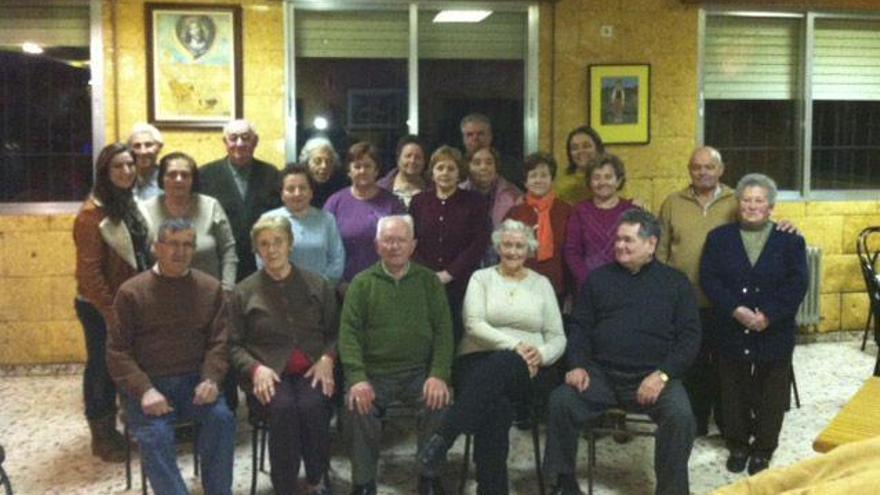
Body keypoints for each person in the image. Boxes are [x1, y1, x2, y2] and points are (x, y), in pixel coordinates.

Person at [543, 209, 700, 495]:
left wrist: (662, 375)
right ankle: (561, 482)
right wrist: (576, 365)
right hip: (601, 375)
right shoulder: (598, 280)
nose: (619, 246)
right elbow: (579, 327)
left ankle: (672, 491)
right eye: (618, 240)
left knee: (681, 415)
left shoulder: (676, 283)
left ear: (651, 244)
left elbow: (690, 339)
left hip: (652, 377)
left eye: (628, 240)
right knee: (560, 402)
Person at [418, 219, 566, 495]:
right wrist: (518, 347)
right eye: (507, 245)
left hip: (530, 370)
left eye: (519, 246)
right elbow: (473, 324)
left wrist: (539, 355)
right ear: (498, 247)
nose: (512, 251)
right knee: (496, 407)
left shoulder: (542, 284)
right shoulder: (481, 278)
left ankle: (444, 436)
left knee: (507, 364)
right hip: (477, 361)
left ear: (529, 249)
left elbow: (558, 336)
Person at [107, 218, 235, 495]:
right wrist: (144, 390)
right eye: (173, 244)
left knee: (222, 420)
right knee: (157, 436)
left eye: (188, 244)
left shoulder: (210, 288)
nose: (181, 251)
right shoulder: (131, 292)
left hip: (195, 382)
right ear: (157, 248)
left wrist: (212, 379)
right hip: (149, 385)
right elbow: (117, 351)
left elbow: (220, 342)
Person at [700, 173, 807, 476]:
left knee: (771, 391)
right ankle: (737, 445)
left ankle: (763, 448)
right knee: (732, 388)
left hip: (775, 330)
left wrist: (768, 315)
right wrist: (736, 310)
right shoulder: (719, 238)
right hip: (731, 326)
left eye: (759, 200)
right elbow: (710, 278)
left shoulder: (791, 240)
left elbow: (797, 284)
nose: (751, 205)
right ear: (738, 204)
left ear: (771, 206)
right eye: (746, 199)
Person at [338, 215, 454, 495]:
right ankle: (364, 481)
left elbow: (444, 333)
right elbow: (348, 335)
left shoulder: (429, 282)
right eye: (388, 240)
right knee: (357, 405)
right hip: (374, 374)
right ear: (377, 245)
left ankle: (429, 476)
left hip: (418, 372)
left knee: (440, 402)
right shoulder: (361, 284)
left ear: (412, 245)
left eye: (401, 240)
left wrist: (438, 375)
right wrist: (357, 378)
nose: (394, 247)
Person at [229, 216, 339, 495]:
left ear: (290, 244)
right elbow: (232, 344)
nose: (272, 249)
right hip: (268, 374)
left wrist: (327, 358)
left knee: (314, 406)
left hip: (313, 369)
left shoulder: (318, 284)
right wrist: (255, 369)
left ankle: (316, 477)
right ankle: (285, 484)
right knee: (283, 409)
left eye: (278, 241)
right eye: (264, 244)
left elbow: (337, 333)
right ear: (256, 250)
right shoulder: (243, 291)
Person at [73, 142, 151, 462]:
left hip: (131, 300)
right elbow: (89, 274)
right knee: (102, 368)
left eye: (130, 165)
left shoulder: (130, 202)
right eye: (118, 166)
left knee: (125, 364)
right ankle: (101, 433)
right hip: (100, 306)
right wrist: (110, 312)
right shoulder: (91, 215)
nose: (126, 171)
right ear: (105, 172)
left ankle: (127, 422)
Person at [410, 145, 490, 343]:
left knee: (455, 335)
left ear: (459, 172)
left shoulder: (475, 201)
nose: (445, 173)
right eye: (440, 168)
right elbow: (410, 240)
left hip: (461, 283)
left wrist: (449, 273)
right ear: (432, 171)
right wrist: (428, 274)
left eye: (451, 168)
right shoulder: (418, 202)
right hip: (423, 282)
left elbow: (479, 242)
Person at [139, 152, 238, 291]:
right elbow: (139, 257)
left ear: (193, 180)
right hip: (159, 294)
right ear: (162, 179)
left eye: (185, 175)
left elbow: (228, 250)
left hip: (207, 295)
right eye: (172, 174)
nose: (179, 179)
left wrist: (227, 289)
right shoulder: (144, 210)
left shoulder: (211, 206)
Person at [200, 119, 281, 282]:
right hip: (220, 261)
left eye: (246, 137)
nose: (240, 143)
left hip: (263, 260)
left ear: (255, 141)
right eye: (233, 138)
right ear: (225, 142)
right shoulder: (205, 175)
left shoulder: (271, 174)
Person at [323, 141, 405, 289]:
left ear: (376, 170)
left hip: (386, 285)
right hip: (344, 287)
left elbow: (402, 247)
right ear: (349, 171)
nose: (362, 171)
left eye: (367, 166)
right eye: (357, 166)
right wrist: (339, 283)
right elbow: (325, 247)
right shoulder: (335, 203)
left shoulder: (393, 204)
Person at [260, 164, 345, 285]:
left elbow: (337, 259)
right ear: (282, 194)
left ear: (311, 192)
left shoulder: (327, 220)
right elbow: (262, 260)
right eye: (290, 189)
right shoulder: (268, 220)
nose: (297, 193)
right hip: (279, 293)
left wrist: (320, 287)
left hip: (321, 293)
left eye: (302, 188)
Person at [505, 152, 573, 302]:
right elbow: (505, 251)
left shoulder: (566, 211)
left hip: (557, 285)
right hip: (521, 285)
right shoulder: (515, 212)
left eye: (543, 175)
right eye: (533, 176)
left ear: (552, 179)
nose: (538, 180)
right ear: (525, 182)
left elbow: (572, 251)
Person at [564, 153, 636, 293]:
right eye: (596, 177)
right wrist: (590, 282)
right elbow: (572, 251)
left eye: (608, 177)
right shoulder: (580, 211)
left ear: (619, 180)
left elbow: (640, 251)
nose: (602, 182)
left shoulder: (632, 211)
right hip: (589, 288)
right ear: (589, 182)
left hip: (627, 288)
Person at [461, 145, 522, 230]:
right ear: (468, 167)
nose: (483, 167)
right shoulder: (458, 193)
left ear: (496, 166)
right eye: (477, 163)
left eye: (489, 163)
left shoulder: (513, 194)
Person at [460, 113, 520, 186]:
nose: (475, 138)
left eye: (480, 134)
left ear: (490, 136)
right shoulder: (456, 166)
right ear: (463, 139)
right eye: (469, 134)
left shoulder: (511, 167)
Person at [555, 126, 605, 205]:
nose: (581, 151)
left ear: (598, 148)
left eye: (586, 146)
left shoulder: (610, 177)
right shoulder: (560, 181)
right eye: (575, 148)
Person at [377, 134, 428, 207]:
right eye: (408, 156)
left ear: (424, 161)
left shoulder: (433, 189)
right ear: (398, 159)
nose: (412, 161)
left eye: (418, 157)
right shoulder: (381, 189)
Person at [300, 136, 347, 208]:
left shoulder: (342, 188)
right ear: (306, 163)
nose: (324, 166)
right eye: (317, 161)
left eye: (328, 161)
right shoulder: (299, 188)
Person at [127, 123, 164, 200]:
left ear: (159, 148)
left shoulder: (169, 179)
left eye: (148, 145)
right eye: (137, 146)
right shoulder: (123, 179)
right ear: (129, 150)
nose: (143, 152)